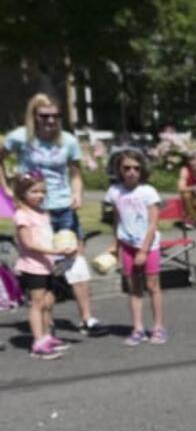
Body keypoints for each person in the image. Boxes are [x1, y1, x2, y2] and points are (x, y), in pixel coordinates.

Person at [1, 93, 101, 334]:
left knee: (74, 260)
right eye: (44, 116)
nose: (50, 120)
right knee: (42, 264)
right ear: (34, 116)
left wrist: (77, 193)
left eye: (55, 116)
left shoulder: (67, 140)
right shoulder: (20, 138)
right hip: (34, 210)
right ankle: (47, 321)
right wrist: (5, 188)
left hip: (63, 207)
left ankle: (87, 318)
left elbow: (75, 172)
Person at [12, 172, 77, 359]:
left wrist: (64, 248)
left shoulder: (42, 213)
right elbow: (28, 244)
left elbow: (48, 238)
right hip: (33, 266)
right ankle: (38, 342)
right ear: (23, 193)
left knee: (49, 301)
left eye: (42, 191)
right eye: (34, 191)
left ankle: (46, 335)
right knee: (37, 303)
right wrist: (57, 252)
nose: (39, 195)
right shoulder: (22, 215)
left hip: (46, 264)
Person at [105, 149, 167, 345]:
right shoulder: (115, 192)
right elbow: (117, 219)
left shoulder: (148, 191)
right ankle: (138, 328)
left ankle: (158, 327)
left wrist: (143, 250)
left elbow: (153, 222)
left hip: (148, 246)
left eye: (136, 168)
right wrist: (115, 244)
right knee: (134, 288)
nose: (131, 172)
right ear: (119, 170)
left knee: (152, 286)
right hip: (127, 244)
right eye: (127, 168)